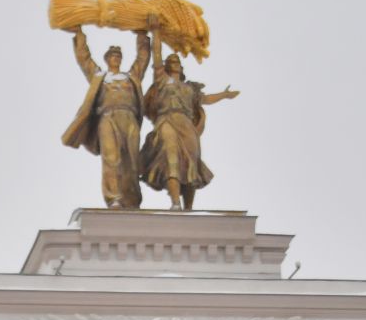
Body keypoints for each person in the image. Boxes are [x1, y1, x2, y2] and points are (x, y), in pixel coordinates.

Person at [61, 25, 151, 208]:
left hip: (129, 117)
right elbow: (84, 59)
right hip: (107, 118)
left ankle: (132, 199)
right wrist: (79, 34)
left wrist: (142, 35)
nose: (116, 58)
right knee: (111, 158)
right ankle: (114, 198)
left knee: (132, 160)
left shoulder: (131, 76)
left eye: (118, 56)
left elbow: (142, 59)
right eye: (112, 56)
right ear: (107, 59)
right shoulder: (99, 76)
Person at [141, 54, 240, 210]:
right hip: (166, 120)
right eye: (170, 62)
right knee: (171, 156)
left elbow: (205, 99)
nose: (174, 64)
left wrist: (225, 95)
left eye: (177, 62)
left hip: (187, 125)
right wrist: (157, 31)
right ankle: (175, 202)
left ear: (181, 68)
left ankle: (188, 208)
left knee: (190, 164)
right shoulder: (162, 81)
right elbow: (157, 53)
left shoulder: (189, 88)